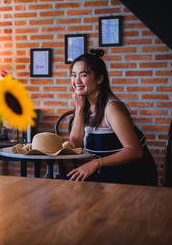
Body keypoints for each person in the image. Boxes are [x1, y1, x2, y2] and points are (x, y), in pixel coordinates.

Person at [67, 49, 158, 186]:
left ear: (99, 78)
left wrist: (95, 164)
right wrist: (79, 109)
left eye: (83, 75)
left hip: (132, 173)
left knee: (70, 186)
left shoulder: (112, 107)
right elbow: (76, 146)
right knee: (64, 183)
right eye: (73, 75)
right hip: (106, 171)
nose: (76, 81)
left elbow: (135, 151)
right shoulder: (83, 105)